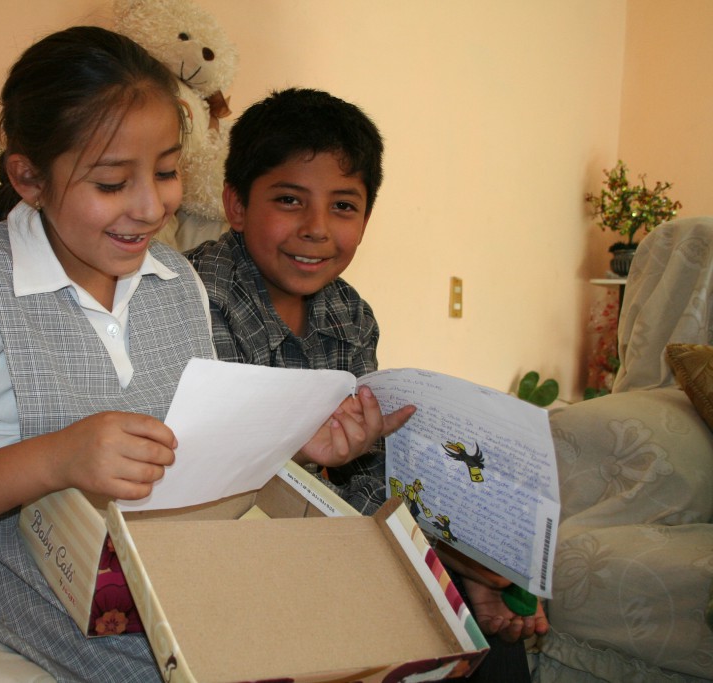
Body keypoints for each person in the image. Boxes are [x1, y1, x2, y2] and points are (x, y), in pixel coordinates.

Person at [0, 26, 218, 682]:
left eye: (167, 171)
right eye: (114, 182)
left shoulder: (179, 282)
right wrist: (59, 457)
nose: (151, 206)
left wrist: (297, 439)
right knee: (172, 664)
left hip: (135, 552)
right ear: (28, 177)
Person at [184, 88, 547, 681]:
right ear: (236, 204)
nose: (317, 229)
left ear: (367, 217)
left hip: (328, 537)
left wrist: (454, 565)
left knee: (479, 630)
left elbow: (361, 473)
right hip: (234, 545)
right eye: (289, 200)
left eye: (344, 207)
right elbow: (227, 480)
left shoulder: (351, 315)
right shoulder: (192, 296)